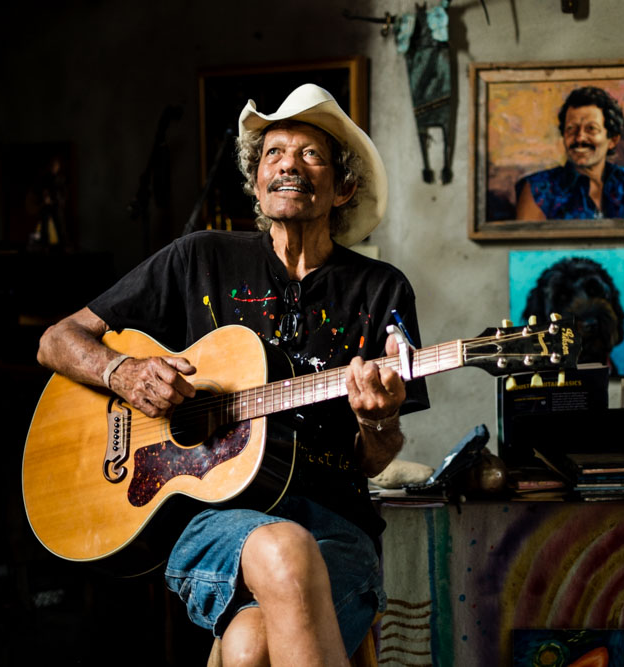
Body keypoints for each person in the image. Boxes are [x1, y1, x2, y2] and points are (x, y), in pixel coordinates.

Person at [36, 83, 429, 666]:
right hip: (211, 520)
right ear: (257, 178)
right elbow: (56, 341)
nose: (289, 164)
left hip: (336, 522)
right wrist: (122, 372)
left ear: (344, 187)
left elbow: (372, 462)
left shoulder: (380, 290)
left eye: (311, 154)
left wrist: (379, 422)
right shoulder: (199, 258)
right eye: (274, 153)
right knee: (284, 548)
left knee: (248, 648)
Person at [514, 86, 624, 220]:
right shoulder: (538, 189)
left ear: (613, 140)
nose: (579, 138)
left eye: (591, 129)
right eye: (571, 129)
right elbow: (525, 239)